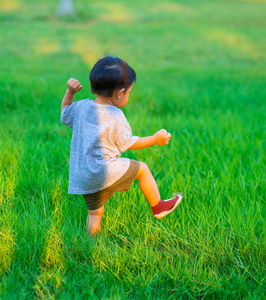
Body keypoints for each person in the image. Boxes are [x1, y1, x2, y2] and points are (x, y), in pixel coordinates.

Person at [60, 56, 181, 236]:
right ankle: (158, 206)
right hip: (105, 171)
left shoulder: (81, 107)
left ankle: (92, 245)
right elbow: (129, 143)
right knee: (143, 169)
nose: (128, 96)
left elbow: (64, 114)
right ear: (120, 93)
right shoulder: (115, 115)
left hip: (83, 175)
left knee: (95, 213)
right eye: (129, 92)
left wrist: (70, 92)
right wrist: (154, 139)